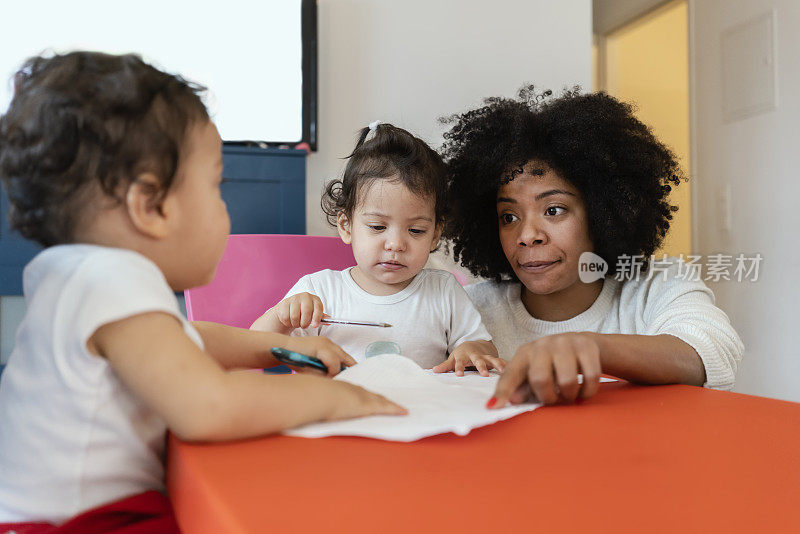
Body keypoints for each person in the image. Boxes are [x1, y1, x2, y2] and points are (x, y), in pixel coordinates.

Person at [0, 51, 404, 529]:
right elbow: (210, 408)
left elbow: (186, 339)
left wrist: (281, 348)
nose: (223, 208)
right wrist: (341, 400)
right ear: (150, 205)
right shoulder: (110, 281)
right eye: (216, 185)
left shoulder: (78, 277)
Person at [439, 86, 744, 407]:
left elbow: (712, 350)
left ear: (603, 214)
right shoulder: (466, 308)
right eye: (509, 216)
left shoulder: (656, 286)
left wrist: (589, 347)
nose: (527, 235)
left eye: (553, 210)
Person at [251, 122, 503, 375]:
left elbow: (484, 347)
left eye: (416, 231)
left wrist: (473, 350)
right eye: (377, 227)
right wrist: (282, 317)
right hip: (341, 410)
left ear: (436, 234)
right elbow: (253, 349)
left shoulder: (444, 291)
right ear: (346, 225)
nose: (396, 244)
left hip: (420, 411)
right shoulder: (319, 290)